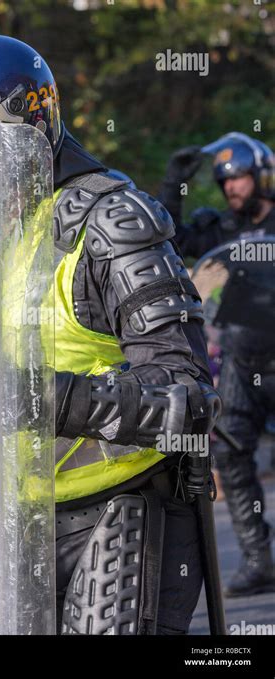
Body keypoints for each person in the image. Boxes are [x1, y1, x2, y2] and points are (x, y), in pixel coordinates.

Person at [0, 34, 220, 634]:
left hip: (118, 512)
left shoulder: (108, 227)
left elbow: (190, 398)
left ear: (25, 127)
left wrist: (42, 398)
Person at [159, 132, 275, 596]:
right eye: (225, 181)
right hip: (243, 361)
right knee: (228, 454)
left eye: (240, 178)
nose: (232, 188)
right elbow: (170, 237)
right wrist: (173, 184)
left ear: (262, 176)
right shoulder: (221, 228)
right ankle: (258, 560)